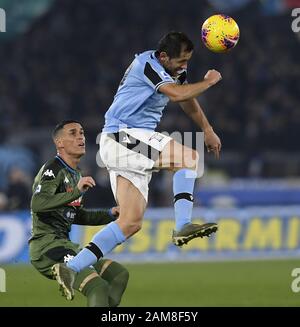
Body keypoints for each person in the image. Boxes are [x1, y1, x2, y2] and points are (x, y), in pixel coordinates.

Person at [55, 31, 222, 299]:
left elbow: (187, 100)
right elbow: (177, 95)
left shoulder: (170, 70)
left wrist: (208, 129)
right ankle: (183, 225)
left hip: (123, 145)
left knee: (130, 222)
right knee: (188, 158)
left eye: (188, 61)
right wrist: (209, 81)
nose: (184, 67)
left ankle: (71, 267)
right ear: (164, 56)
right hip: (123, 136)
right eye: (181, 61)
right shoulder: (148, 65)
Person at [29, 120, 129, 306]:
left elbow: (77, 215)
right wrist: (77, 192)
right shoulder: (54, 168)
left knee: (118, 275)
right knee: (97, 287)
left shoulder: (75, 174)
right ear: (59, 143)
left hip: (67, 245)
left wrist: (110, 213)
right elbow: (38, 203)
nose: (80, 137)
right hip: (47, 248)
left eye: (82, 133)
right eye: (73, 133)